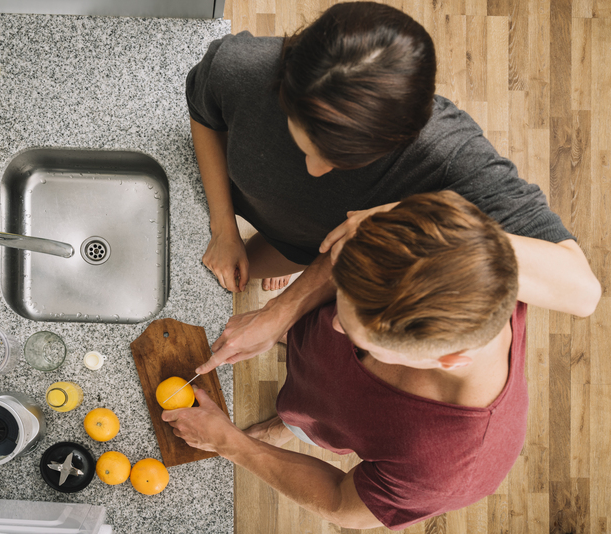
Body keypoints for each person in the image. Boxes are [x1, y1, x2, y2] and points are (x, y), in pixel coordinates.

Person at [188, 1, 599, 363]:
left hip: (309, 247)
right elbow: (203, 112)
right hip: (256, 211)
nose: (313, 170)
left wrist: (418, 221)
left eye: (343, 161)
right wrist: (224, 228)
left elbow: (581, 291)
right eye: (305, 142)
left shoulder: (447, 153)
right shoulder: (242, 68)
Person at [165, 191, 539, 529]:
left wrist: (233, 444)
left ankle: (291, 426)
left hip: (329, 417)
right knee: (304, 375)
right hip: (311, 370)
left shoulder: (446, 471)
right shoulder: (461, 248)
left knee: (303, 424)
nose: (332, 326)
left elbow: (342, 503)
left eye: (361, 335)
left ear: (448, 359)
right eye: (344, 299)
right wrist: (281, 313)